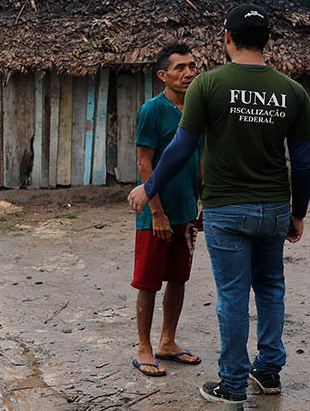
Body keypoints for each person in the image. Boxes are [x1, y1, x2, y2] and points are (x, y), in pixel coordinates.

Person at [127, 4, 310, 404]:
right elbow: (302, 163)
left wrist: (149, 188)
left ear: (226, 38)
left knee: (233, 295)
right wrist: (298, 212)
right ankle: (268, 372)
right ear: (268, 41)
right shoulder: (293, 92)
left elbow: (180, 148)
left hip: (227, 209)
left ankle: (232, 383)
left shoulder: (208, 86)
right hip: (275, 207)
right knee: (271, 288)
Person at [131, 42, 203, 378]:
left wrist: (202, 204)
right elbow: (144, 164)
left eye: (192, 66)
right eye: (180, 68)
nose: (189, 73)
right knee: (148, 282)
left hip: (187, 210)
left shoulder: (197, 110)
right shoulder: (152, 110)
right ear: (163, 75)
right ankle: (144, 347)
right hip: (156, 216)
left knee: (178, 278)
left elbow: (201, 161)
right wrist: (157, 212)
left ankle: (168, 341)